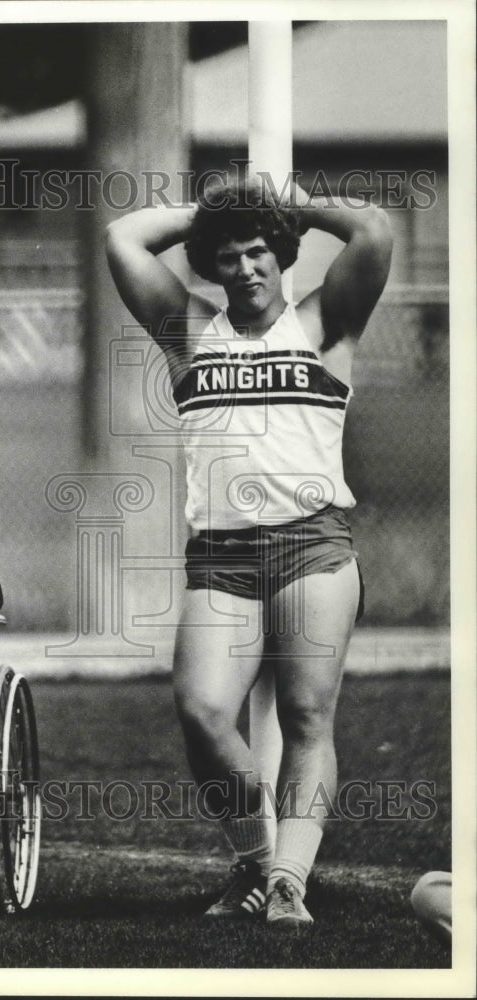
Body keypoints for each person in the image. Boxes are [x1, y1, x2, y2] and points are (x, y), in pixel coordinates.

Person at [106, 174, 392, 926]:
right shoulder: (189, 329)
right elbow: (122, 239)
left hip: (313, 545)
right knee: (202, 711)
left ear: (282, 252)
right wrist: (214, 214)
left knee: (305, 715)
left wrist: (283, 205)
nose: (245, 269)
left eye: (258, 250)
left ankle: (291, 883)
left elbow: (371, 231)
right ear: (209, 264)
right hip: (220, 557)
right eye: (226, 256)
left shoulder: (324, 322)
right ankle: (258, 865)